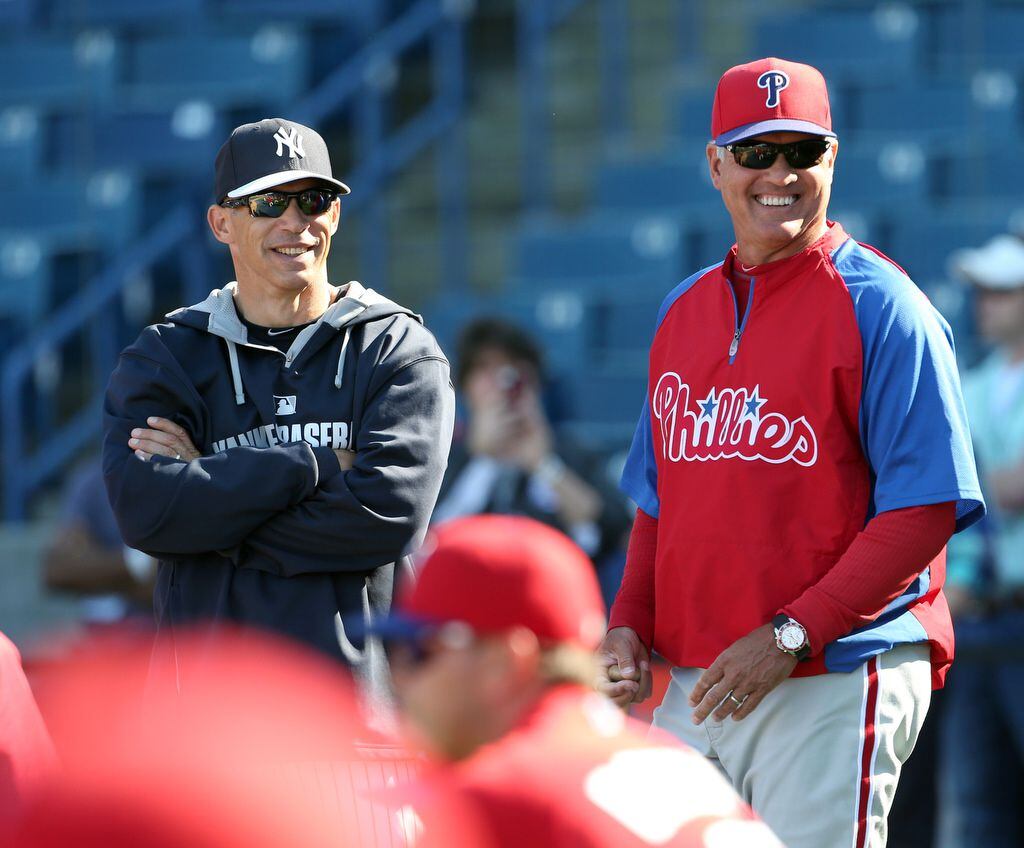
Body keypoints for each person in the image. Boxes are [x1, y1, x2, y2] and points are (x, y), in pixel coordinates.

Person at [597, 58, 984, 848]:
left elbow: (924, 512)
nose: (780, 173)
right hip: (700, 680)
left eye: (801, 153)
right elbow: (657, 501)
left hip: (835, 668)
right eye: (756, 151)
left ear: (831, 160)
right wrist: (629, 623)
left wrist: (791, 634)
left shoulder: (886, 308)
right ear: (716, 164)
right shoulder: (683, 312)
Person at [101, 118, 455, 707]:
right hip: (208, 730)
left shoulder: (395, 347)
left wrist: (212, 513)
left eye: (313, 200)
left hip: (356, 727)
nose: (295, 223)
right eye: (268, 203)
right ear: (222, 223)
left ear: (334, 217)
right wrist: (312, 466)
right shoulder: (168, 354)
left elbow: (387, 519)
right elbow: (149, 516)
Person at [372, 514, 784, 848]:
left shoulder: (500, 793)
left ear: (505, 660)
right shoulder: (661, 754)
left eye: (420, 651)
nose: (402, 673)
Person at [432, 317, 632, 600]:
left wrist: (542, 462)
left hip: (551, 597)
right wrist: (481, 458)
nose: (501, 382)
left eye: (514, 370)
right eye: (485, 369)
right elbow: (427, 538)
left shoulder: (570, 450)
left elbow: (612, 530)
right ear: (465, 388)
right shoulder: (446, 457)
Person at [938, 234, 1024, 847]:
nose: (985, 303)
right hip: (982, 623)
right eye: (982, 292)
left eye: (1002, 290)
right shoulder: (972, 382)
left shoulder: (970, 386)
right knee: (979, 799)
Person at [43, 457, 155, 625]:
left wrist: (97, 577)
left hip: (175, 639)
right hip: (106, 638)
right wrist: (139, 563)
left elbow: (161, 589)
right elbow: (58, 571)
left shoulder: (181, 476)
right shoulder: (94, 479)